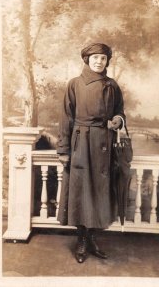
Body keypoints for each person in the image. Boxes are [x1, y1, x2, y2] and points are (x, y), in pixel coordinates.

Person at [57, 42, 126, 263]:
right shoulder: (75, 84)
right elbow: (66, 118)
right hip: (81, 144)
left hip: (104, 145)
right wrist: (64, 150)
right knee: (81, 191)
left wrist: (118, 120)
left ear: (107, 61)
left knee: (100, 192)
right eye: (95, 57)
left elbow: (119, 111)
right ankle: (82, 240)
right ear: (87, 60)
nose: (99, 61)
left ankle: (93, 237)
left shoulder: (112, 86)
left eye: (103, 58)